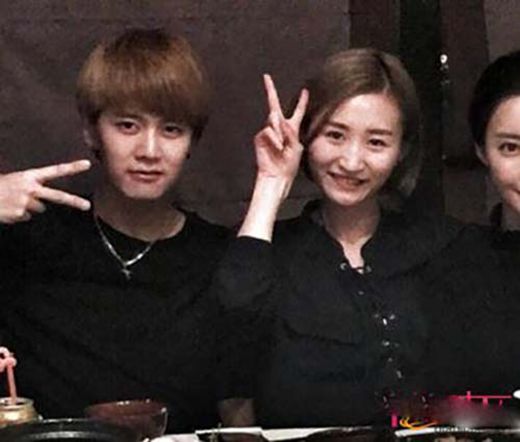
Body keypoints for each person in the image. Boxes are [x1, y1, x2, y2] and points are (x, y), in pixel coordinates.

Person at [214, 48, 509, 428]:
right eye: (335, 135)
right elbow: (234, 320)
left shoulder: (444, 245)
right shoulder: (271, 253)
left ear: (401, 150)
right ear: (306, 137)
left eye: (376, 142)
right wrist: (270, 183)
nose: (352, 162)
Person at [0, 28, 234, 432]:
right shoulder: (31, 236)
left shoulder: (218, 256)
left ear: (192, 142)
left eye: (171, 129)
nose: (149, 151)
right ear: (92, 131)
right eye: (127, 125)